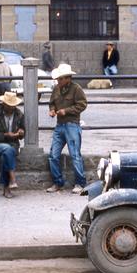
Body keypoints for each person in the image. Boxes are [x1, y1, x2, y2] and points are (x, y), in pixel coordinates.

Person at [47, 63, 88, 194]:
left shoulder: (76, 89)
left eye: (60, 79)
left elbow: (82, 104)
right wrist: (52, 110)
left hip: (72, 124)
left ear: (67, 78)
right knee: (53, 155)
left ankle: (80, 183)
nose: (58, 81)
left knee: (75, 154)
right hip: (60, 125)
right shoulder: (56, 89)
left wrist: (67, 111)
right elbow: (52, 103)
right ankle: (58, 182)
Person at [0, 91, 25, 199]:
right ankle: (12, 180)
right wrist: (6, 135)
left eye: (13, 105)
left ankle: (6, 187)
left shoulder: (19, 114)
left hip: (13, 144)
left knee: (6, 155)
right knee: (7, 150)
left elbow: (23, 133)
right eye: (9, 105)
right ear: (4, 104)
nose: (11, 108)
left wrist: (21, 132)